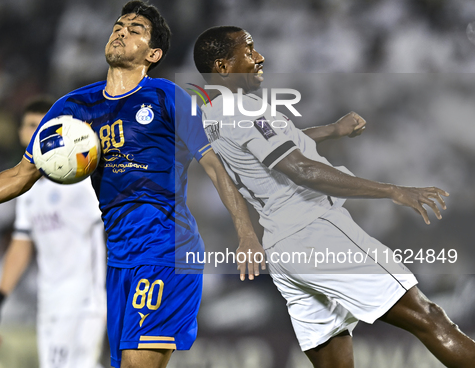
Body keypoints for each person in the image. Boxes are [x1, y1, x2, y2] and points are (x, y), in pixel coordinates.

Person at [0, 1, 264, 368]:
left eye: (135, 29)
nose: (121, 31)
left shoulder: (167, 97)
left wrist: (246, 232)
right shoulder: (74, 107)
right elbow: (19, 176)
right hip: (119, 259)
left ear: (153, 54)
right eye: (119, 25)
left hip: (166, 250)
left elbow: (215, 165)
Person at [193, 26, 475, 368]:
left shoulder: (213, 116)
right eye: (248, 51)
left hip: (284, 249)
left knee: (334, 364)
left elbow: (274, 147)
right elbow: (300, 169)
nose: (259, 57)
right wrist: (393, 191)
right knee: (429, 317)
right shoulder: (246, 111)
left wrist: (331, 130)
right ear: (223, 67)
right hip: (316, 230)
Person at [0, 97, 106, 368]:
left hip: (84, 299)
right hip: (50, 300)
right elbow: (21, 246)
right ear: (20, 134)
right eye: (30, 126)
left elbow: (113, 230)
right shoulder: (28, 192)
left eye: (43, 126)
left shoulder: (81, 182)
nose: (35, 132)